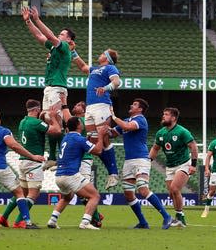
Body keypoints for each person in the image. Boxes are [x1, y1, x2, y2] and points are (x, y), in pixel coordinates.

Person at [22, 6, 75, 170]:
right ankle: (52, 157)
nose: (59, 35)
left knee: (56, 122)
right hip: (49, 88)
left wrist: (37, 19)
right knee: (48, 121)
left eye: (62, 34)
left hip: (57, 88)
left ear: (68, 40)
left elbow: (49, 35)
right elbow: (39, 36)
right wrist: (28, 21)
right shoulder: (54, 49)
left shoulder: (64, 48)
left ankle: (59, 156)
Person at [0, 99, 61, 228]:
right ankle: (20, 221)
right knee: (33, 193)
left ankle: (3, 217)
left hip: (22, 161)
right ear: (37, 109)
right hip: (33, 161)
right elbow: (57, 131)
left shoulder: (23, 122)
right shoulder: (36, 123)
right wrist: (53, 118)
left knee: (21, 193)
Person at [110, 98, 173, 229]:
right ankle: (143, 222)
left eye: (134, 104)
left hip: (141, 159)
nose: (131, 105)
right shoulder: (126, 121)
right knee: (128, 193)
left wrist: (114, 116)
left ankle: (167, 216)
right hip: (128, 161)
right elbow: (113, 133)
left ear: (140, 109)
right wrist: (103, 128)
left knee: (142, 189)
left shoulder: (140, 120)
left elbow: (127, 127)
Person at [72, 48, 121, 189]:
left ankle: (113, 173)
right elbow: (82, 66)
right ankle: (111, 172)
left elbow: (117, 82)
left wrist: (105, 88)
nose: (99, 55)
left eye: (102, 53)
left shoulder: (110, 67)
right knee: (93, 140)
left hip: (101, 104)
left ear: (107, 58)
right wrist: (73, 52)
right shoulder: (95, 69)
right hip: (90, 107)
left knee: (103, 137)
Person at [46, 117, 107, 230]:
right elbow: (98, 151)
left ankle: (52, 220)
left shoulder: (66, 137)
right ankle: (85, 222)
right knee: (95, 196)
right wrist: (101, 136)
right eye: (80, 121)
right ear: (79, 125)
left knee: (67, 197)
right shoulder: (79, 139)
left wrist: (86, 141)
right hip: (71, 175)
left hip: (59, 176)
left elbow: (75, 148)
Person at [149, 107, 197, 228]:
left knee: (175, 188)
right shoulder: (161, 133)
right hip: (170, 166)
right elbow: (155, 148)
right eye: (163, 114)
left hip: (183, 164)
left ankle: (179, 217)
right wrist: (148, 161)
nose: (163, 116)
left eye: (166, 114)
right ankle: (180, 217)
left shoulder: (182, 131)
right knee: (172, 193)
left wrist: (193, 165)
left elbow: (193, 146)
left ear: (173, 118)